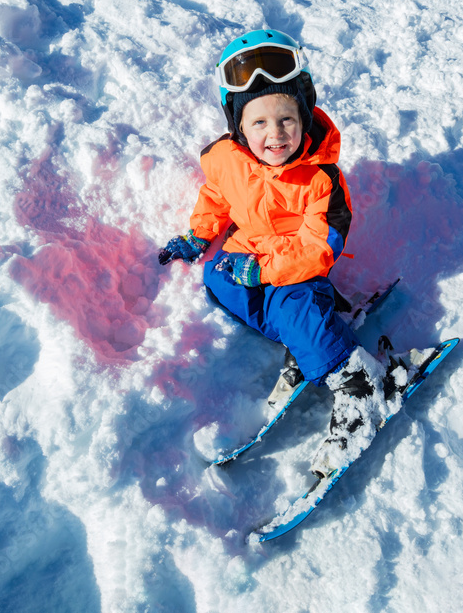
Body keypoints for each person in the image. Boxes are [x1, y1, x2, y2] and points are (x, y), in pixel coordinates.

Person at [158, 29, 394, 478]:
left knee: (294, 303)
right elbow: (216, 195)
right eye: (259, 123)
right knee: (218, 280)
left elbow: (319, 248)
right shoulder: (227, 157)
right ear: (238, 127)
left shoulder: (321, 179)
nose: (275, 134)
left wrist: (267, 269)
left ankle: (357, 381)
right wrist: (198, 235)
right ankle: (304, 333)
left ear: (304, 114)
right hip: (249, 250)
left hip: (298, 264)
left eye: (286, 118)